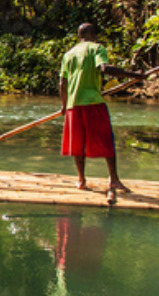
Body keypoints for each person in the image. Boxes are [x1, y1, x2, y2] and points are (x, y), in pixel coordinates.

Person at [59, 23, 144, 203]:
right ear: (93, 34)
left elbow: (62, 83)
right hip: (93, 102)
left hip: (73, 105)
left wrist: (64, 106)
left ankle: (81, 180)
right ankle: (114, 179)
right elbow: (104, 68)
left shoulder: (68, 54)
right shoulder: (97, 48)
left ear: (79, 35)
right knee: (106, 140)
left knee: (78, 143)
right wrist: (134, 75)